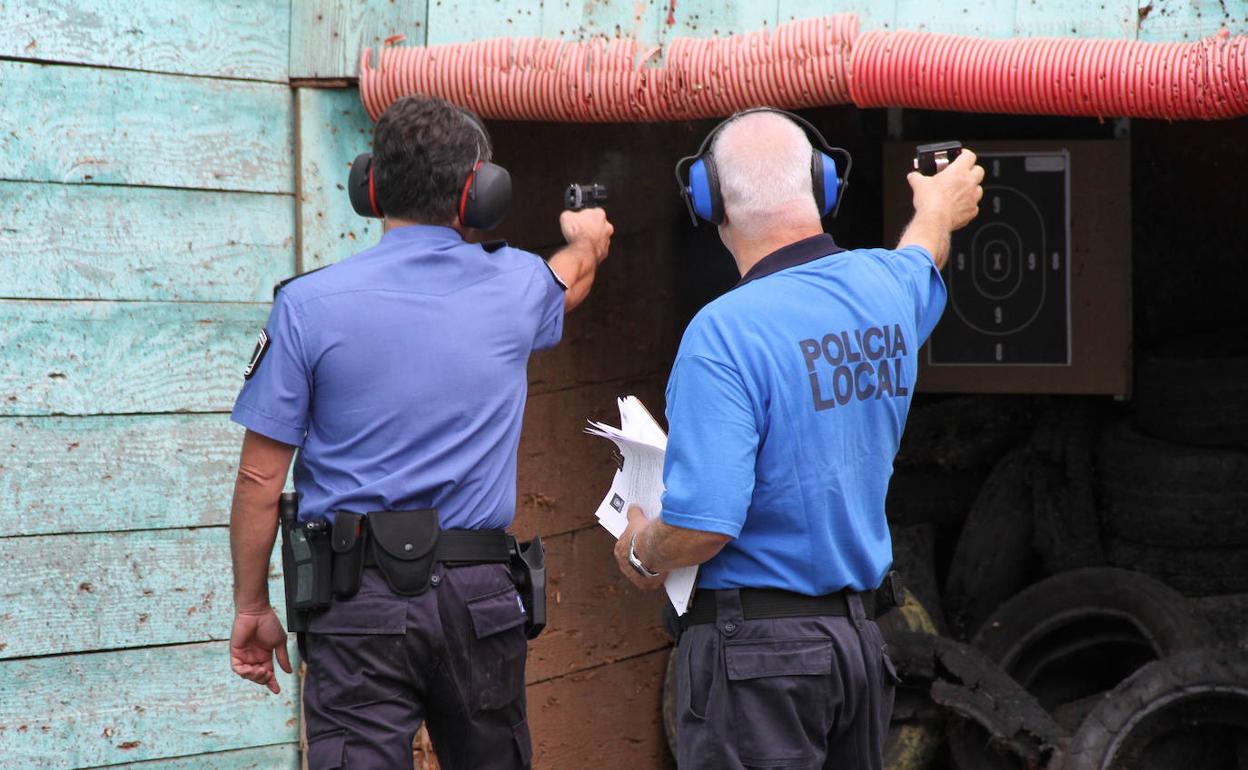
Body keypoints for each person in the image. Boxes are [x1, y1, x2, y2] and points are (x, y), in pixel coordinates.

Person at [226, 94, 613, 769]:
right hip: (480, 597)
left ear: (370, 187)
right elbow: (570, 275)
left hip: (356, 602)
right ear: (480, 193)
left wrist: (253, 603)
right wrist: (586, 238)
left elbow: (262, 477)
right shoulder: (519, 285)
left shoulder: (305, 305)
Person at [614, 109, 983, 769]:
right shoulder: (883, 290)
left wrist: (642, 550)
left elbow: (704, 526)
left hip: (756, 663)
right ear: (823, 186)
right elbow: (923, 250)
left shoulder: (722, 334)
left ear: (707, 200)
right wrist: (940, 203)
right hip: (856, 646)